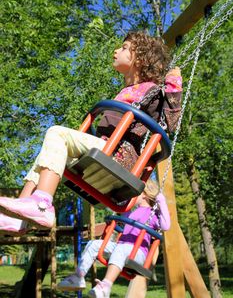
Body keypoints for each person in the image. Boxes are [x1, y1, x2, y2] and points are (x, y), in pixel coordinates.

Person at [0, 31, 182, 235]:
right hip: (106, 148)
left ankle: (42, 205)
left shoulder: (151, 90)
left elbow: (169, 124)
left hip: (119, 156)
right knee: (45, 158)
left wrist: (174, 84)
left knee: (57, 133)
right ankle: (22, 217)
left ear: (139, 58)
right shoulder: (127, 90)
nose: (116, 50)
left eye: (123, 47)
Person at [57, 179, 170, 297]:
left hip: (138, 253)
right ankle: (78, 276)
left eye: (135, 192)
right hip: (122, 248)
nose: (131, 195)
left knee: (121, 249)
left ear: (145, 195)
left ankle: (106, 286)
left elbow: (166, 226)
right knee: (93, 244)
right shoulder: (131, 212)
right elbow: (119, 207)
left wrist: (161, 201)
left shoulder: (153, 214)